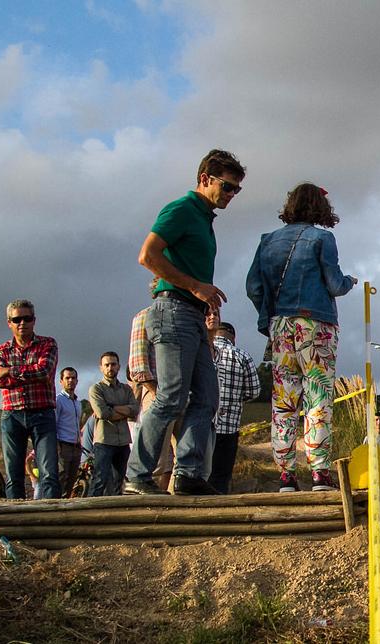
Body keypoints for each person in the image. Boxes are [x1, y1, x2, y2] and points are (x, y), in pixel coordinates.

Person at [128, 150, 245, 496]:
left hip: (193, 316)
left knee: (208, 397)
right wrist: (194, 285)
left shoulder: (205, 219)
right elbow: (147, 255)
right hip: (172, 310)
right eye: (227, 187)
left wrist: (203, 304)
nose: (231, 195)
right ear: (205, 178)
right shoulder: (181, 209)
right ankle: (137, 474)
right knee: (171, 397)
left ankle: (189, 474)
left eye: (236, 191)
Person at [247, 183, 357, 493]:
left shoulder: (266, 241)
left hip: (281, 325)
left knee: (284, 400)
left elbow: (253, 287)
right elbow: (334, 284)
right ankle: (319, 472)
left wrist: (270, 314)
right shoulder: (323, 238)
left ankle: (286, 475)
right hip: (316, 323)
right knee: (317, 396)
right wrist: (350, 282)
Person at [0, 299, 60, 499]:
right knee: (13, 474)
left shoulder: (48, 343)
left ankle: (52, 522)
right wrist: (29, 373)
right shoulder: (1, 350)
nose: (22, 323)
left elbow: (44, 371)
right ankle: (16, 524)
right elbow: (0, 383)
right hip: (12, 415)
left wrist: (9, 371)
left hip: (43, 413)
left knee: (49, 472)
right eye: (17, 319)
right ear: (9, 323)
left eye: (27, 318)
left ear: (34, 320)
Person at [128, 278, 183, 491]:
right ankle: (148, 507)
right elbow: (138, 364)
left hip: (181, 391)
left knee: (182, 458)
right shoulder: (143, 317)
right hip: (156, 392)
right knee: (157, 455)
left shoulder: (183, 318)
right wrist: (157, 392)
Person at [209, 321, 261, 494]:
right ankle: (219, 510)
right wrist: (237, 399)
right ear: (233, 337)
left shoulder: (202, 351)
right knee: (221, 474)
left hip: (202, 423)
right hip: (229, 425)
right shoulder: (241, 356)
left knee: (199, 472)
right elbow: (254, 391)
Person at [88, 352, 138, 497]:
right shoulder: (96, 389)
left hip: (123, 441)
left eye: (113, 364)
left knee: (119, 482)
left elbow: (135, 410)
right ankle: (88, 512)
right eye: (107, 365)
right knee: (99, 480)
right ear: (101, 368)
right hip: (104, 441)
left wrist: (113, 407)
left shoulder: (126, 389)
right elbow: (103, 413)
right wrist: (124, 410)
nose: (110, 367)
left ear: (118, 366)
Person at [54, 367, 83, 496]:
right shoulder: (58, 400)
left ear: (77, 381)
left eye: (73, 378)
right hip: (63, 445)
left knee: (71, 481)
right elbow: (54, 423)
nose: (70, 380)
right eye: (67, 378)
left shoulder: (78, 403)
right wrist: (56, 446)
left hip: (76, 446)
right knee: (61, 480)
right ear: (61, 381)